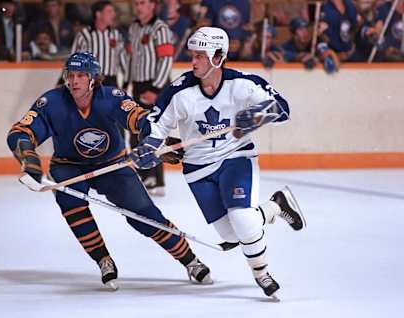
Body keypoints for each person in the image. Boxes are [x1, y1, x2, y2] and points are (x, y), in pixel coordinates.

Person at [6, 52, 212, 291]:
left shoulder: (111, 97)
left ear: (93, 78)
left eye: (81, 76)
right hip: (68, 166)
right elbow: (21, 132)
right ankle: (103, 259)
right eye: (70, 75)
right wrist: (28, 157)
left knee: (144, 216)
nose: (74, 81)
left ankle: (190, 260)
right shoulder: (51, 102)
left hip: (112, 164)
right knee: (72, 206)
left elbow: (140, 119)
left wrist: (156, 142)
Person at [130, 27, 306, 298]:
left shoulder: (244, 83)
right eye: (193, 55)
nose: (194, 61)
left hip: (236, 157)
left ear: (219, 56)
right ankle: (276, 205)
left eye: (201, 55)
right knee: (232, 235)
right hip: (198, 168)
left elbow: (282, 108)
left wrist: (258, 115)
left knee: (243, 220)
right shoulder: (180, 90)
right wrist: (150, 147)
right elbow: (156, 124)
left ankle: (262, 274)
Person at [127, 0, 174, 196]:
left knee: (152, 130)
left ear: (153, 5)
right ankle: (149, 176)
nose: (139, 7)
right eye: (136, 3)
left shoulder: (160, 28)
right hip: (139, 84)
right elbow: (132, 59)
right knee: (136, 129)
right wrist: (128, 83)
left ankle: (153, 177)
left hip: (155, 84)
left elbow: (166, 59)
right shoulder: (133, 28)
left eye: (143, 3)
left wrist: (156, 89)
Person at [70, 1, 128, 87]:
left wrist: (126, 83)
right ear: (98, 14)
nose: (113, 14)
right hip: (91, 82)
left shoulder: (116, 35)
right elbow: (73, 60)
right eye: (109, 11)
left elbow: (123, 60)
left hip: (111, 82)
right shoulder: (85, 35)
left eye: (113, 11)